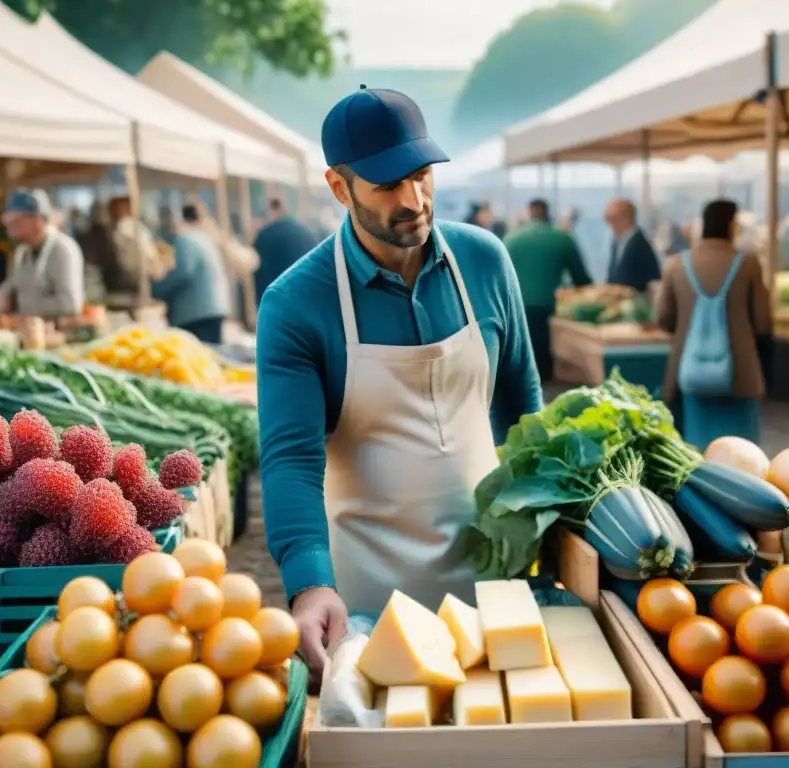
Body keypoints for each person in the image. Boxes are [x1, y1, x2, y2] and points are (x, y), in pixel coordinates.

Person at [257, 87, 542, 680]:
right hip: (369, 607)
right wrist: (310, 584)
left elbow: (522, 408)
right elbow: (290, 461)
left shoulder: (486, 262)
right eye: (387, 185)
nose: (413, 199)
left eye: (420, 175)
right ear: (340, 187)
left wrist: (548, 532)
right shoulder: (295, 303)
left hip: (498, 590)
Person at [656, 200, 771, 451]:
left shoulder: (676, 264)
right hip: (740, 375)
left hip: (688, 371)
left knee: (694, 451)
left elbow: (664, 318)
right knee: (743, 454)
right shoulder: (748, 264)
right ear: (731, 225)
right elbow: (763, 322)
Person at [504, 198, 592, 380]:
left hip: (518, 309)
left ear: (529, 213)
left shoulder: (512, 239)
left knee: (524, 363)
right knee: (547, 366)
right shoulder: (563, 238)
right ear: (547, 212)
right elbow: (581, 279)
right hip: (551, 310)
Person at [0, 189, 84, 318]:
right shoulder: (24, 252)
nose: (10, 226)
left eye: (16, 220)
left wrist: (24, 305)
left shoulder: (63, 250)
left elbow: (70, 304)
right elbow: (14, 283)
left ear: (36, 220)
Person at [151, 204, 231, 344]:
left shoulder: (186, 240)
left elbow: (182, 273)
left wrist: (157, 289)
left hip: (195, 313)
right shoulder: (205, 239)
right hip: (213, 308)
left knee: (198, 357)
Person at [253, 198, 319, 306]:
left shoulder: (265, 235)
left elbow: (258, 272)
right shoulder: (304, 230)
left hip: (280, 300)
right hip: (309, 294)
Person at [605, 198, 661, 292]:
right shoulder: (617, 243)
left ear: (626, 218)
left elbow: (650, 279)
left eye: (612, 219)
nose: (609, 224)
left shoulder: (639, 244)